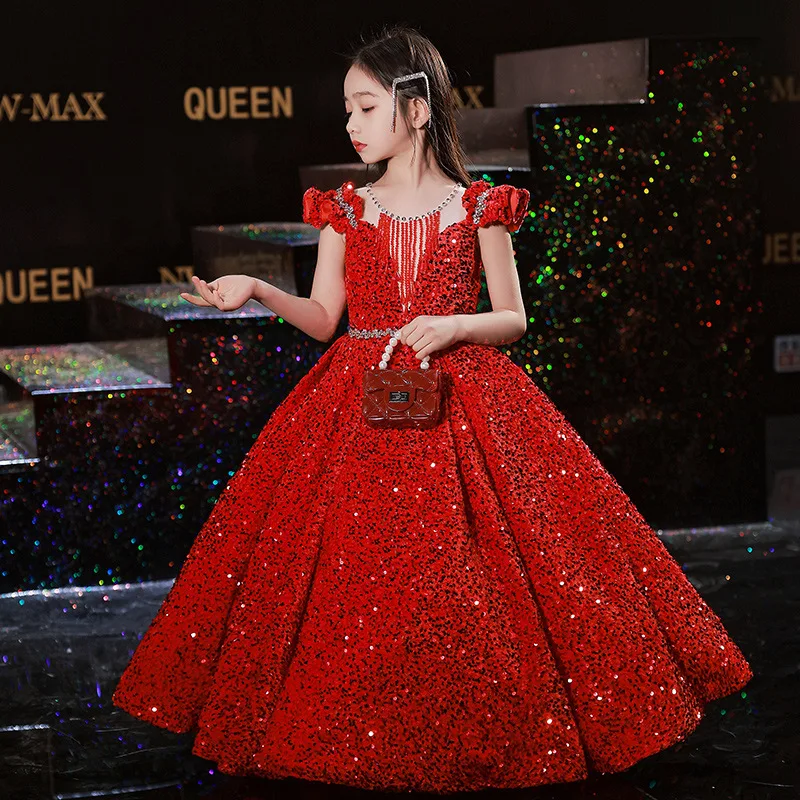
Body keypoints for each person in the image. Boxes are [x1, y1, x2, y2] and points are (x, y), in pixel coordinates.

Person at [112, 24, 752, 794]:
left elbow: (512, 319)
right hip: (358, 403)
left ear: (415, 109)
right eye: (346, 109)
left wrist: (453, 325)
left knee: (483, 574)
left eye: (364, 106)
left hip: (464, 395)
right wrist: (255, 290)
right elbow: (325, 320)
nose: (349, 124)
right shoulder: (344, 210)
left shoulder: (480, 206)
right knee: (349, 576)